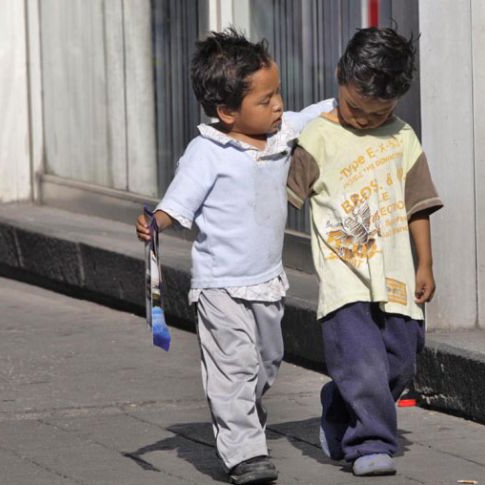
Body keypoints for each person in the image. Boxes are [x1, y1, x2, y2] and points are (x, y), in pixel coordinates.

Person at [136, 28, 333, 485]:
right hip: (220, 285)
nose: (278, 105)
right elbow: (176, 202)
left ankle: (242, 410)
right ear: (226, 112)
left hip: (267, 279)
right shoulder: (207, 153)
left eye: (277, 93)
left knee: (266, 361)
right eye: (265, 100)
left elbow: (317, 114)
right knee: (234, 366)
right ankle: (244, 453)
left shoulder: (281, 132)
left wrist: (352, 101)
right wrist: (156, 223)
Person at [286, 27, 443, 477]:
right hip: (344, 279)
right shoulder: (318, 138)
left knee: (401, 360)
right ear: (340, 77)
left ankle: (339, 404)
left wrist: (425, 263)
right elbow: (279, 195)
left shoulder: (402, 138)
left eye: (379, 113)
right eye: (355, 108)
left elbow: (419, 205)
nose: (363, 120)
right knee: (363, 361)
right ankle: (370, 444)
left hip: (396, 276)